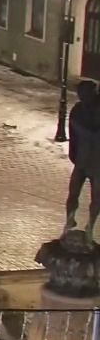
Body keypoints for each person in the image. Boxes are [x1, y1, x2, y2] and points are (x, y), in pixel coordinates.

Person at [66, 80, 100, 238]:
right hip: (82, 159)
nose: (83, 98)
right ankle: (69, 221)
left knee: (97, 198)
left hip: (97, 164)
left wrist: (82, 129)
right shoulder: (78, 110)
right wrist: (73, 154)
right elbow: (73, 133)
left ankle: (90, 227)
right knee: (73, 193)